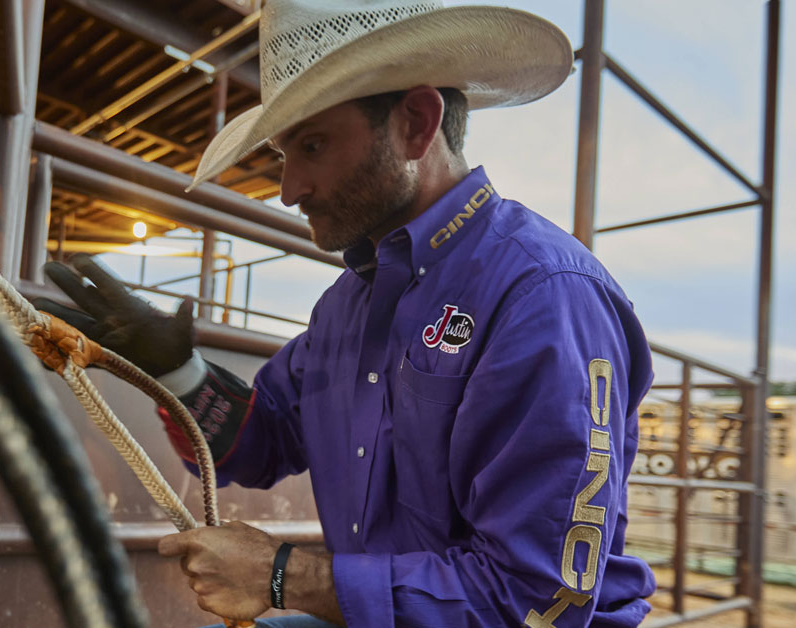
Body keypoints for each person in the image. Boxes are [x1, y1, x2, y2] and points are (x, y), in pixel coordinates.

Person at [36, 1, 657, 625]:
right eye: (286, 154)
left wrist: (284, 577)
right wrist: (175, 371)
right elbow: (265, 442)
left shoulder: (541, 294)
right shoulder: (347, 305)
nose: (289, 189)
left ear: (416, 122)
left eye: (312, 145)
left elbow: (538, 598)